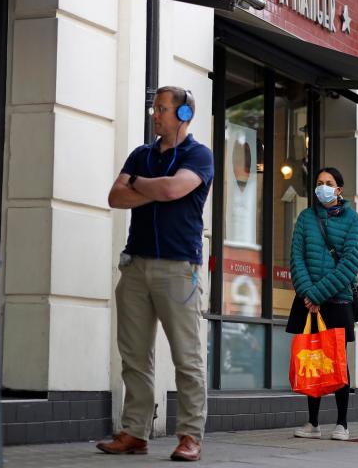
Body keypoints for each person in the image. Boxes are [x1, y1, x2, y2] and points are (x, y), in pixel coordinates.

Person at [96, 86, 214, 462]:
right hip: (135, 266)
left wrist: (140, 185)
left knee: (186, 356)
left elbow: (172, 189)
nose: (154, 114)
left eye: (162, 108)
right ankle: (135, 432)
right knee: (134, 356)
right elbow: (115, 197)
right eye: (154, 108)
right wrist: (157, 189)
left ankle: (190, 435)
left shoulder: (199, 155)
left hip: (179, 269)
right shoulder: (141, 154)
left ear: (183, 115)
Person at [286, 167, 358, 441]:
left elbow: (350, 264)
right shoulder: (306, 218)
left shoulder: (354, 221)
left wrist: (317, 294)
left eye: (328, 183)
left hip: (337, 300)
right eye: (319, 183)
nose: (323, 187)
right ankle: (312, 423)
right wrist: (308, 292)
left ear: (339, 189)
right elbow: (296, 258)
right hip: (308, 301)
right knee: (312, 359)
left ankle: (342, 423)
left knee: (338, 362)